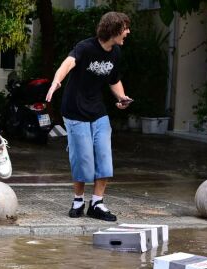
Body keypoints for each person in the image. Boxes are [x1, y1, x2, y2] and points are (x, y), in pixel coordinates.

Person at [45, 11, 132, 222]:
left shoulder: (116, 52)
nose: (128, 32)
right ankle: (78, 201)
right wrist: (57, 81)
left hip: (98, 111)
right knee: (83, 158)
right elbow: (67, 64)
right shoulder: (85, 47)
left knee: (103, 157)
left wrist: (121, 97)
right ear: (114, 30)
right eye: (125, 28)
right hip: (75, 110)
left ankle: (97, 203)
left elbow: (113, 78)